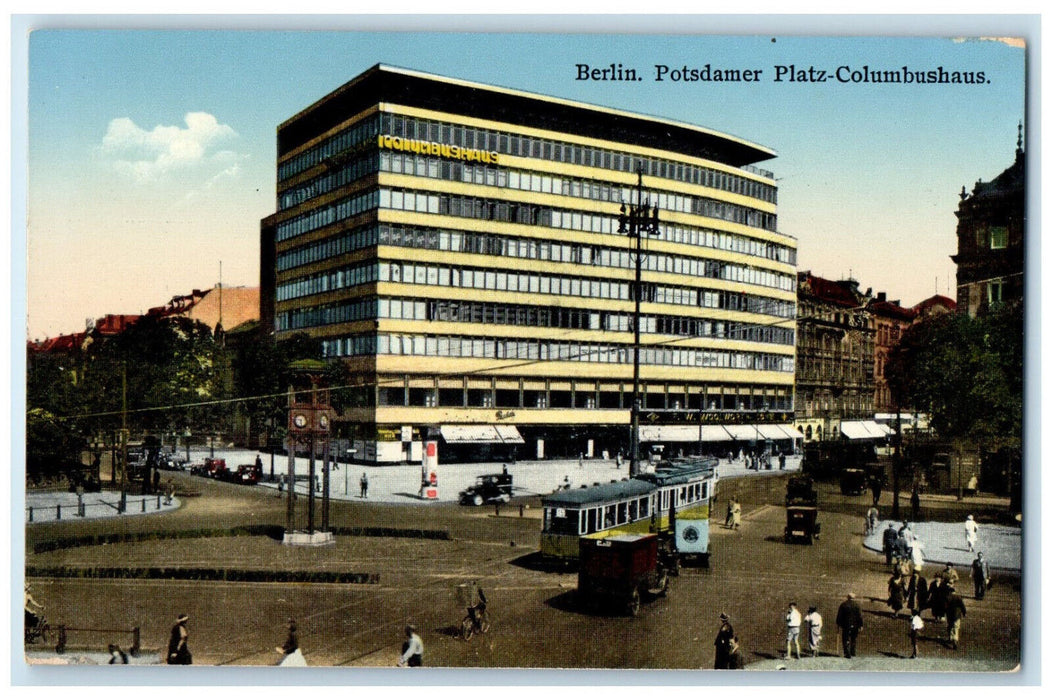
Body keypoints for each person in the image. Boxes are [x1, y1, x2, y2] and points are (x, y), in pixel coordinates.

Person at [835, 593, 864, 659]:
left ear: (847, 597)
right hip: (855, 625)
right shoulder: (857, 605)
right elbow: (859, 616)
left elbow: (839, 615)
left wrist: (838, 623)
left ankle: (847, 652)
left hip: (846, 625)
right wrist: (861, 625)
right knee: (853, 639)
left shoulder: (843, 605)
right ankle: (853, 652)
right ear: (854, 597)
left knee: (845, 639)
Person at [944, 585, 967, 650]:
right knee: (956, 627)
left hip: (949, 615)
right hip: (957, 615)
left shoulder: (947, 597)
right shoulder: (958, 597)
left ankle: (951, 638)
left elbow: (945, 607)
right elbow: (962, 606)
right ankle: (955, 640)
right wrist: (964, 613)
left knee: (950, 626)